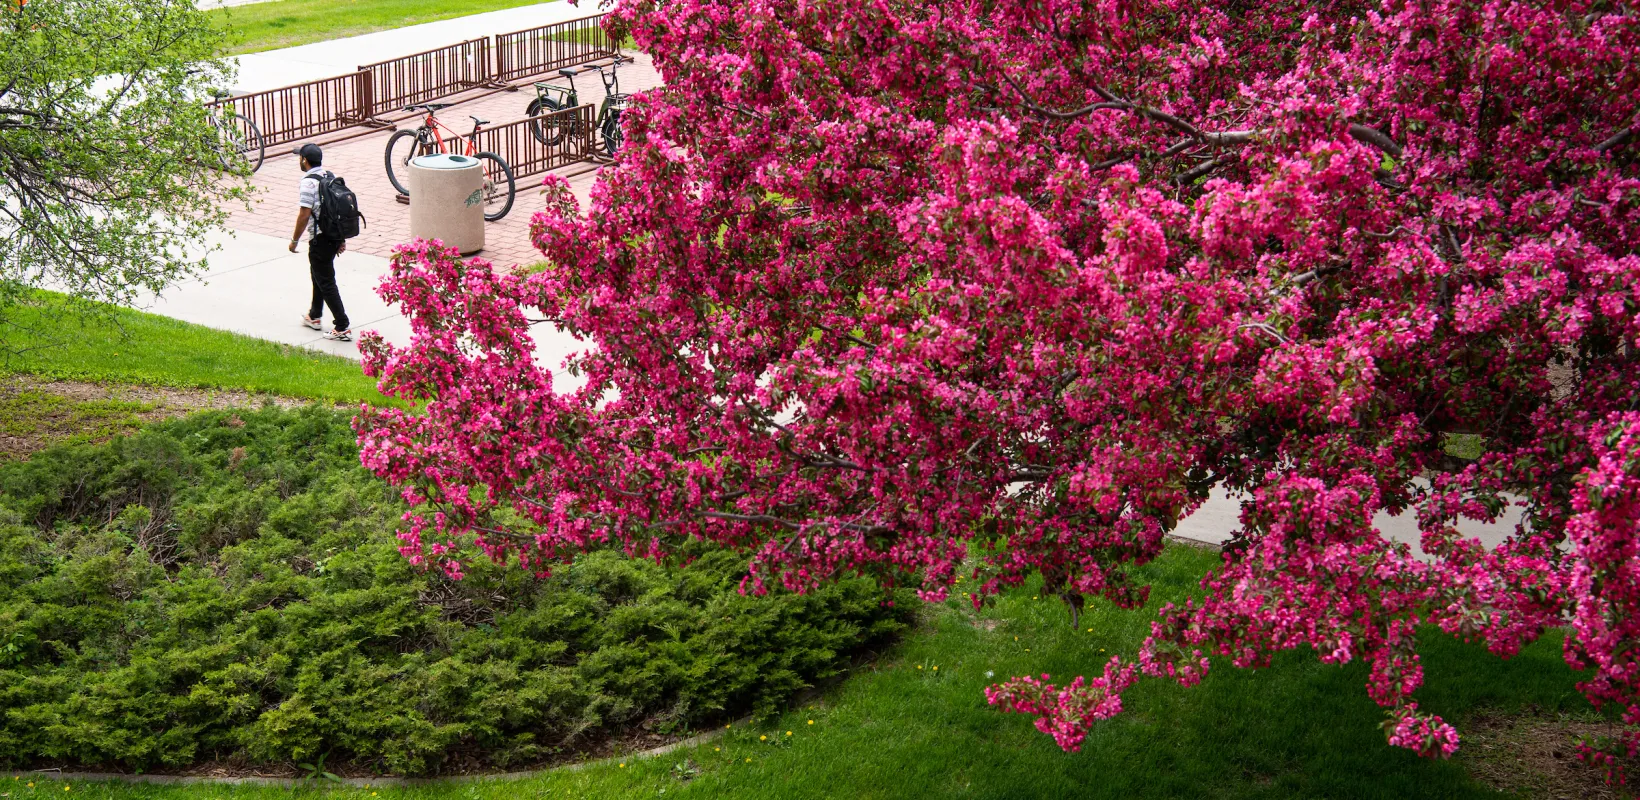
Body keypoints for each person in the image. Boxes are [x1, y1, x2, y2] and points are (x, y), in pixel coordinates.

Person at [288, 143, 351, 341]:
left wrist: (294, 240)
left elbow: (304, 214)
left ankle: (342, 326)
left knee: (326, 281)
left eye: (300, 158)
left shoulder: (308, 183)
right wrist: (340, 239)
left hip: (320, 239)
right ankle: (314, 315)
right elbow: (338, 210)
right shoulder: (329, 176)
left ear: (304, 160)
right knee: (318, 275)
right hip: (332, 237)